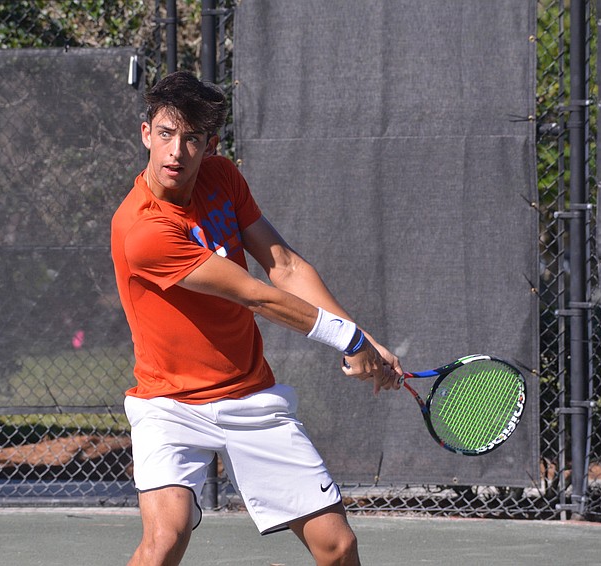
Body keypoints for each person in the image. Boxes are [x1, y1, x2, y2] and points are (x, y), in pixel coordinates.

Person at [111, 70, 403, 566]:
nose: (175, 152)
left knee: (338, 546)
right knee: (165, 540)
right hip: (168, 404)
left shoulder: (222, 178)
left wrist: (364, 338)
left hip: (249, 394)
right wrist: (348, 339)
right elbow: (258, 296)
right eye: (165, 134)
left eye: (191, 139)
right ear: (146, 134)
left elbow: (284, 265)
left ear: (210, 143)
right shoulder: (142, 230)